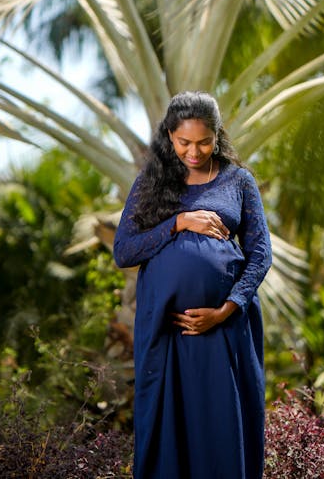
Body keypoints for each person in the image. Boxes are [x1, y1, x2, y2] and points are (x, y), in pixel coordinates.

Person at [113, 91, 272, 479]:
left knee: (222, 426)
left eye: (204, 142)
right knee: (170, 431)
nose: (194, 151)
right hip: (166, 333)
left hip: (225, 330)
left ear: (217, 136)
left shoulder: (238, 181)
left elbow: (260, 253)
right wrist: (180, 223)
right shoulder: (152, 181)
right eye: (184, 142)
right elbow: (124, 251)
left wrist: (226, 309)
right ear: (170, 136)